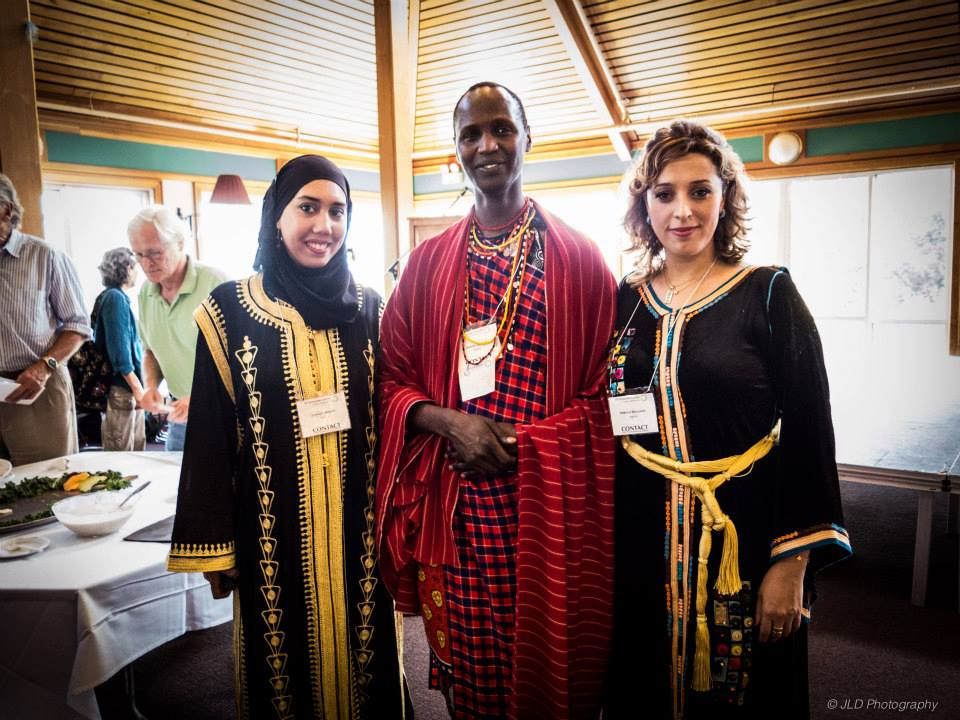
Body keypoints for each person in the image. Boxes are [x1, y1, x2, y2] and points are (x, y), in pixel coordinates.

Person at [377, 82, 617, 719]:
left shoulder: (582, 261)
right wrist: (453, 424)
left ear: (527, 137)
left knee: (550, 670)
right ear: (455, 151)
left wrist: (525, 446)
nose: (487, 145)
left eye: (502, 129)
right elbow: (390, 383)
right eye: (470, 134)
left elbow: (605, 399)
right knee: (476, 684)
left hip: (546, 506)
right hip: (454, 504)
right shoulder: (424, 267)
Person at [604, 120, 851, 720]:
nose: (682, 210)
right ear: (644, 205)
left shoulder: (767, 294)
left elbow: (811, 430)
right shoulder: (626, 300)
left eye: (700, 191)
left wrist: (790, 563)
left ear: (725, 198)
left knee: (740, 696)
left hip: (742, 536)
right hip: (641, 540)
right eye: (664, 193)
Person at [167, 155, 409, 719]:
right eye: (308, 208)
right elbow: (208, 437)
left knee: (369, 669)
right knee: (282, 677)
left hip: (361, 539)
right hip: (270, 540)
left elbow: (394, 417)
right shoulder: (228, 312)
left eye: (337, 211)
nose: (323, 226)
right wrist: (217, 548)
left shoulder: (370, 308)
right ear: (277, 215)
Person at [0, 173, 91, 465]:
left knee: (47, 484)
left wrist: (45, 366)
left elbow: (78, 324)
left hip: (36, 388)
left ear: (5, 210)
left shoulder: (45, 256)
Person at [128, 205, 226, 450]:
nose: (146, 263)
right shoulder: (146, 292)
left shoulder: (216, 283)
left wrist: (201, 398)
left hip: (222, 416)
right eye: (138, 255)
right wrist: (150, 386)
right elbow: (150, 351)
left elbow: (241, 358)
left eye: (154, 253)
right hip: (179, 417)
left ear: (180, 243)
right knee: (176, 486)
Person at [93, 247, 145, 450]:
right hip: (122, 388)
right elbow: (120, 354)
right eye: (135, 265)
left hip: (126, 387)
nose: (138, 271)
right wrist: (137, 388)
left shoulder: (114, 297)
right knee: (121, 455)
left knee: (136, 450)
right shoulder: (114, 299)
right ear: (127, 268)